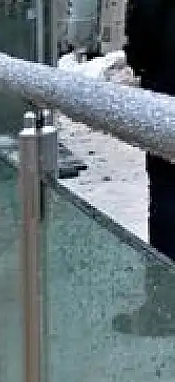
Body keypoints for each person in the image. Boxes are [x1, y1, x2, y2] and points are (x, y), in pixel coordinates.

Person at [121, 0, 175, 333]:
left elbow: (144, 20)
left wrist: (141, 66)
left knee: (168, 202)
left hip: (168, 92)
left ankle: (163, 307)